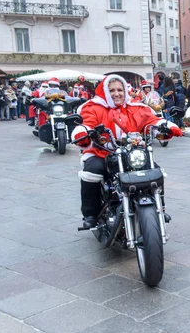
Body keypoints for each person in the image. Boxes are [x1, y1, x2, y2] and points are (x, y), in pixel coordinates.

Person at [72, 75, 182, 228]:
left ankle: (160, 207)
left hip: (131, 153)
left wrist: (166, 126)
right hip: (102, 152)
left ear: (125, 91)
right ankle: (90, 214)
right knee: (92, 172)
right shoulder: (94, 107)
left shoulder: (135, 107)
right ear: (104, 92)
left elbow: (150, 121)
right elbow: (87, 123)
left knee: (155, 172)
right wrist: (83, 133)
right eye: (112, 90)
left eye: (119, 90)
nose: (116, 93)